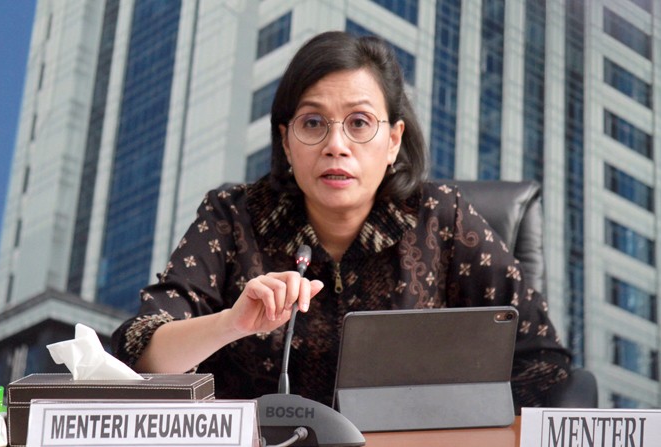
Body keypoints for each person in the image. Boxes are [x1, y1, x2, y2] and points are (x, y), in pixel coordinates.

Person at [112, 31, 571, 412]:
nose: (336, 145)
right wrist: (231, 324)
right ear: (286, 141)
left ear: (394, 141)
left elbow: (542, 361)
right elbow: (141, 353)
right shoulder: (233, 216)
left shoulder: (442, 219)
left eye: (359, 123)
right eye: (313, 123)